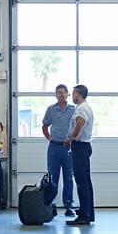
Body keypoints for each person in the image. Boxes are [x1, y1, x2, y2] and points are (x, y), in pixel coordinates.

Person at [41, 83, 76, 217]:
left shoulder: (73, 109)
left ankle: (69, 206)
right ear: (55, 95)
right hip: (54, 148)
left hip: (68, 148)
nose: (61, 94)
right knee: (52, 177)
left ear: (67, 94)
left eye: (63, 92)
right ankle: (49, 205)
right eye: (58, 92)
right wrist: (48, 137)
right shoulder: (51, 109)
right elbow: (45, 125)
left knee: (68, 177)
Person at [66, 84, 95, 227]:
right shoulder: (84, 107)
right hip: (83, 147)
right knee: (85, 182)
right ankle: (87, 212)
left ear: (79, 94)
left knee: (81, 182)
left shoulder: (82, 108)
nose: (72, 96)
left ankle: (84, 216)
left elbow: (80, 123)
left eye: (73, 94)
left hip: (80, 146)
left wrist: (72, 137)